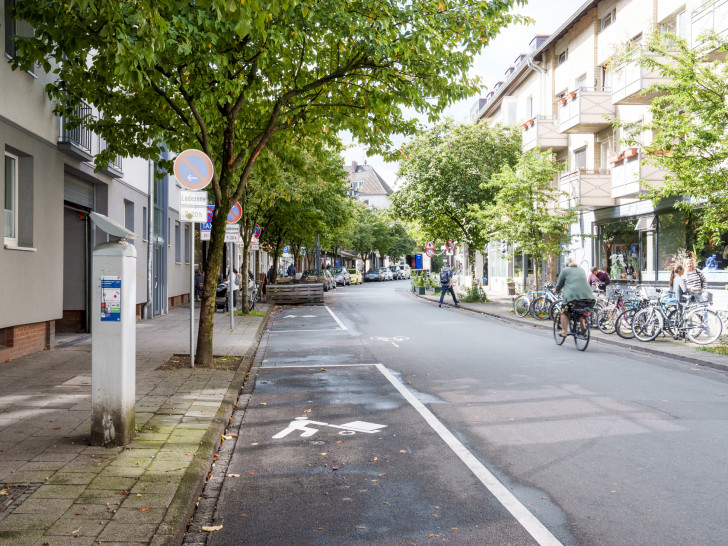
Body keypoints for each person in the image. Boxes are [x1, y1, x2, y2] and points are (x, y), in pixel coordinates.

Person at [555, 258, 595, 337]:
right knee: (580, 310)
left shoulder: (565, 271)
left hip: (572, 298)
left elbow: (559, 285)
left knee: (564, 311)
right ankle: (583, 323)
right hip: (588, 298)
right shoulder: (581, 270)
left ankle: (564, 332)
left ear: (566, 264)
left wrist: (555, 290)